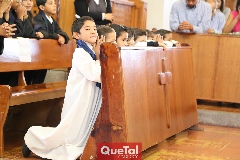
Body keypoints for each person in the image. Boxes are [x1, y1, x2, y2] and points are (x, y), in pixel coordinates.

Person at [22, 16, 102, 160]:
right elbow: (95, 74)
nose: (93, 32)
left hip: (88, 98)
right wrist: (99, 57)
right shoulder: (80, 53)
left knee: (78, 133)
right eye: (88, 29)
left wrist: (97, 55)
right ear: (76, 35)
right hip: (79, 100)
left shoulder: (90, 51)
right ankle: (33, 137)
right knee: (68, 136)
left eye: (95, 29)